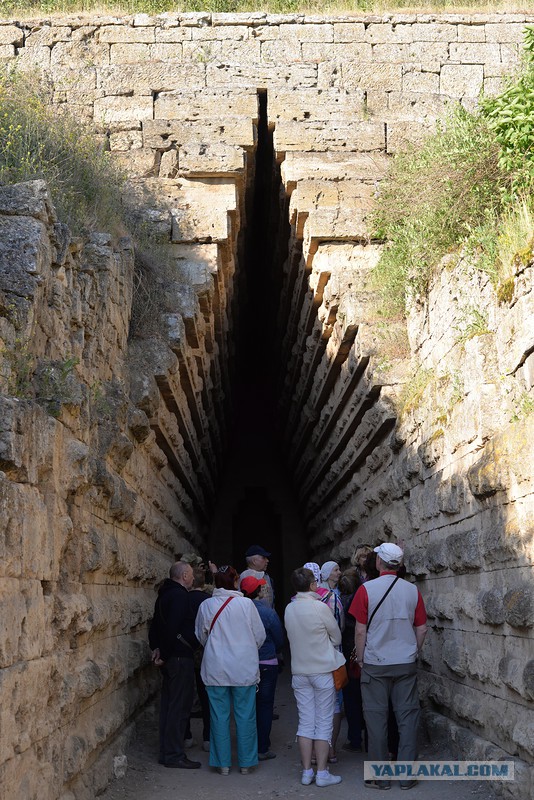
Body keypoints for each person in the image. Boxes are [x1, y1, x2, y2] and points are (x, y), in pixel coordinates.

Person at [350, 543, 427, 791]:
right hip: (405, 662)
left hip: (375, 662)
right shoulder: (412, 591)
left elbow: (360, 630)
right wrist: (413, 650)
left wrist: (361, 658)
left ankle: (380, 777)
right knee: (407, 719)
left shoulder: (366, 590)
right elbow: (422, 627)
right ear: (399, 565)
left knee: (376, 720)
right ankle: (406, 776)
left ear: (379, 563)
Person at [194, 565, 266, 775]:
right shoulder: (246, 605)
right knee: (245, 715)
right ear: (235, 582)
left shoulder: (206, 605)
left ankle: (222, 763)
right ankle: (246, 763)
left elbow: (201, 635)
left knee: (219, 716)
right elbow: (259, 636)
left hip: (216, 668)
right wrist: (246, 648)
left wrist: (215, 646)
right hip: (243, 668)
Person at [284, 567, 345, 788]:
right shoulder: (320, 607)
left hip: (300, 671)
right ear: (312, 585)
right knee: (323, 722)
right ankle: (322, 773)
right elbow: (336, 636)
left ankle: (306, 772)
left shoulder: (289, 609)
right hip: (321, 671)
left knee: (305, 722)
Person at [148, 562, 201, 769]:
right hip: (178, 658)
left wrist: (157, 649)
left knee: (170, 706)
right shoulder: (179, 595)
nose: (194, 579)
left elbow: (155, 626)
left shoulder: (164, 594)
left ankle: (167, 752)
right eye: (191, 575)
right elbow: (173, 627)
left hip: (170, 656)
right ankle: (174, 754)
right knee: (179, 707)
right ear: (185, 575)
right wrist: (166, 654)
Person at [241, 575, 284, 761]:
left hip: (245, 663)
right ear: (258, 591)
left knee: (247, 705)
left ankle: (247, 747)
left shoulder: (239, 610)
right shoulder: (267, 612)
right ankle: (262, 747)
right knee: (265, 705)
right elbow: (280, 638)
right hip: (267, 662)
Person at [318, 560, 345, 764]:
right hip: (333, 655)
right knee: (335, 703)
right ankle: (330, 748)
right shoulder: (333, 598)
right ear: (327, 574)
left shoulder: (313, 596)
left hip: (315, 654)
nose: (339, 572)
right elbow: (340, 628)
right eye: (335, 570)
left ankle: (316, 751)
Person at [186, 566, 211, 752]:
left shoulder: (183, 599)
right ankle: (208, 737)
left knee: (186, 695)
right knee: (207, 696)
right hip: (206, 653)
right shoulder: (209, 601)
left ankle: (186, 735)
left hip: (187, 652)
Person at [339, 570, 364, 753]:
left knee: (351, 699)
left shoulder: (339, 602)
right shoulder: (361, 599)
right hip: (363, 653)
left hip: (348, 654)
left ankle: (354, 738)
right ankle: (371, 739)